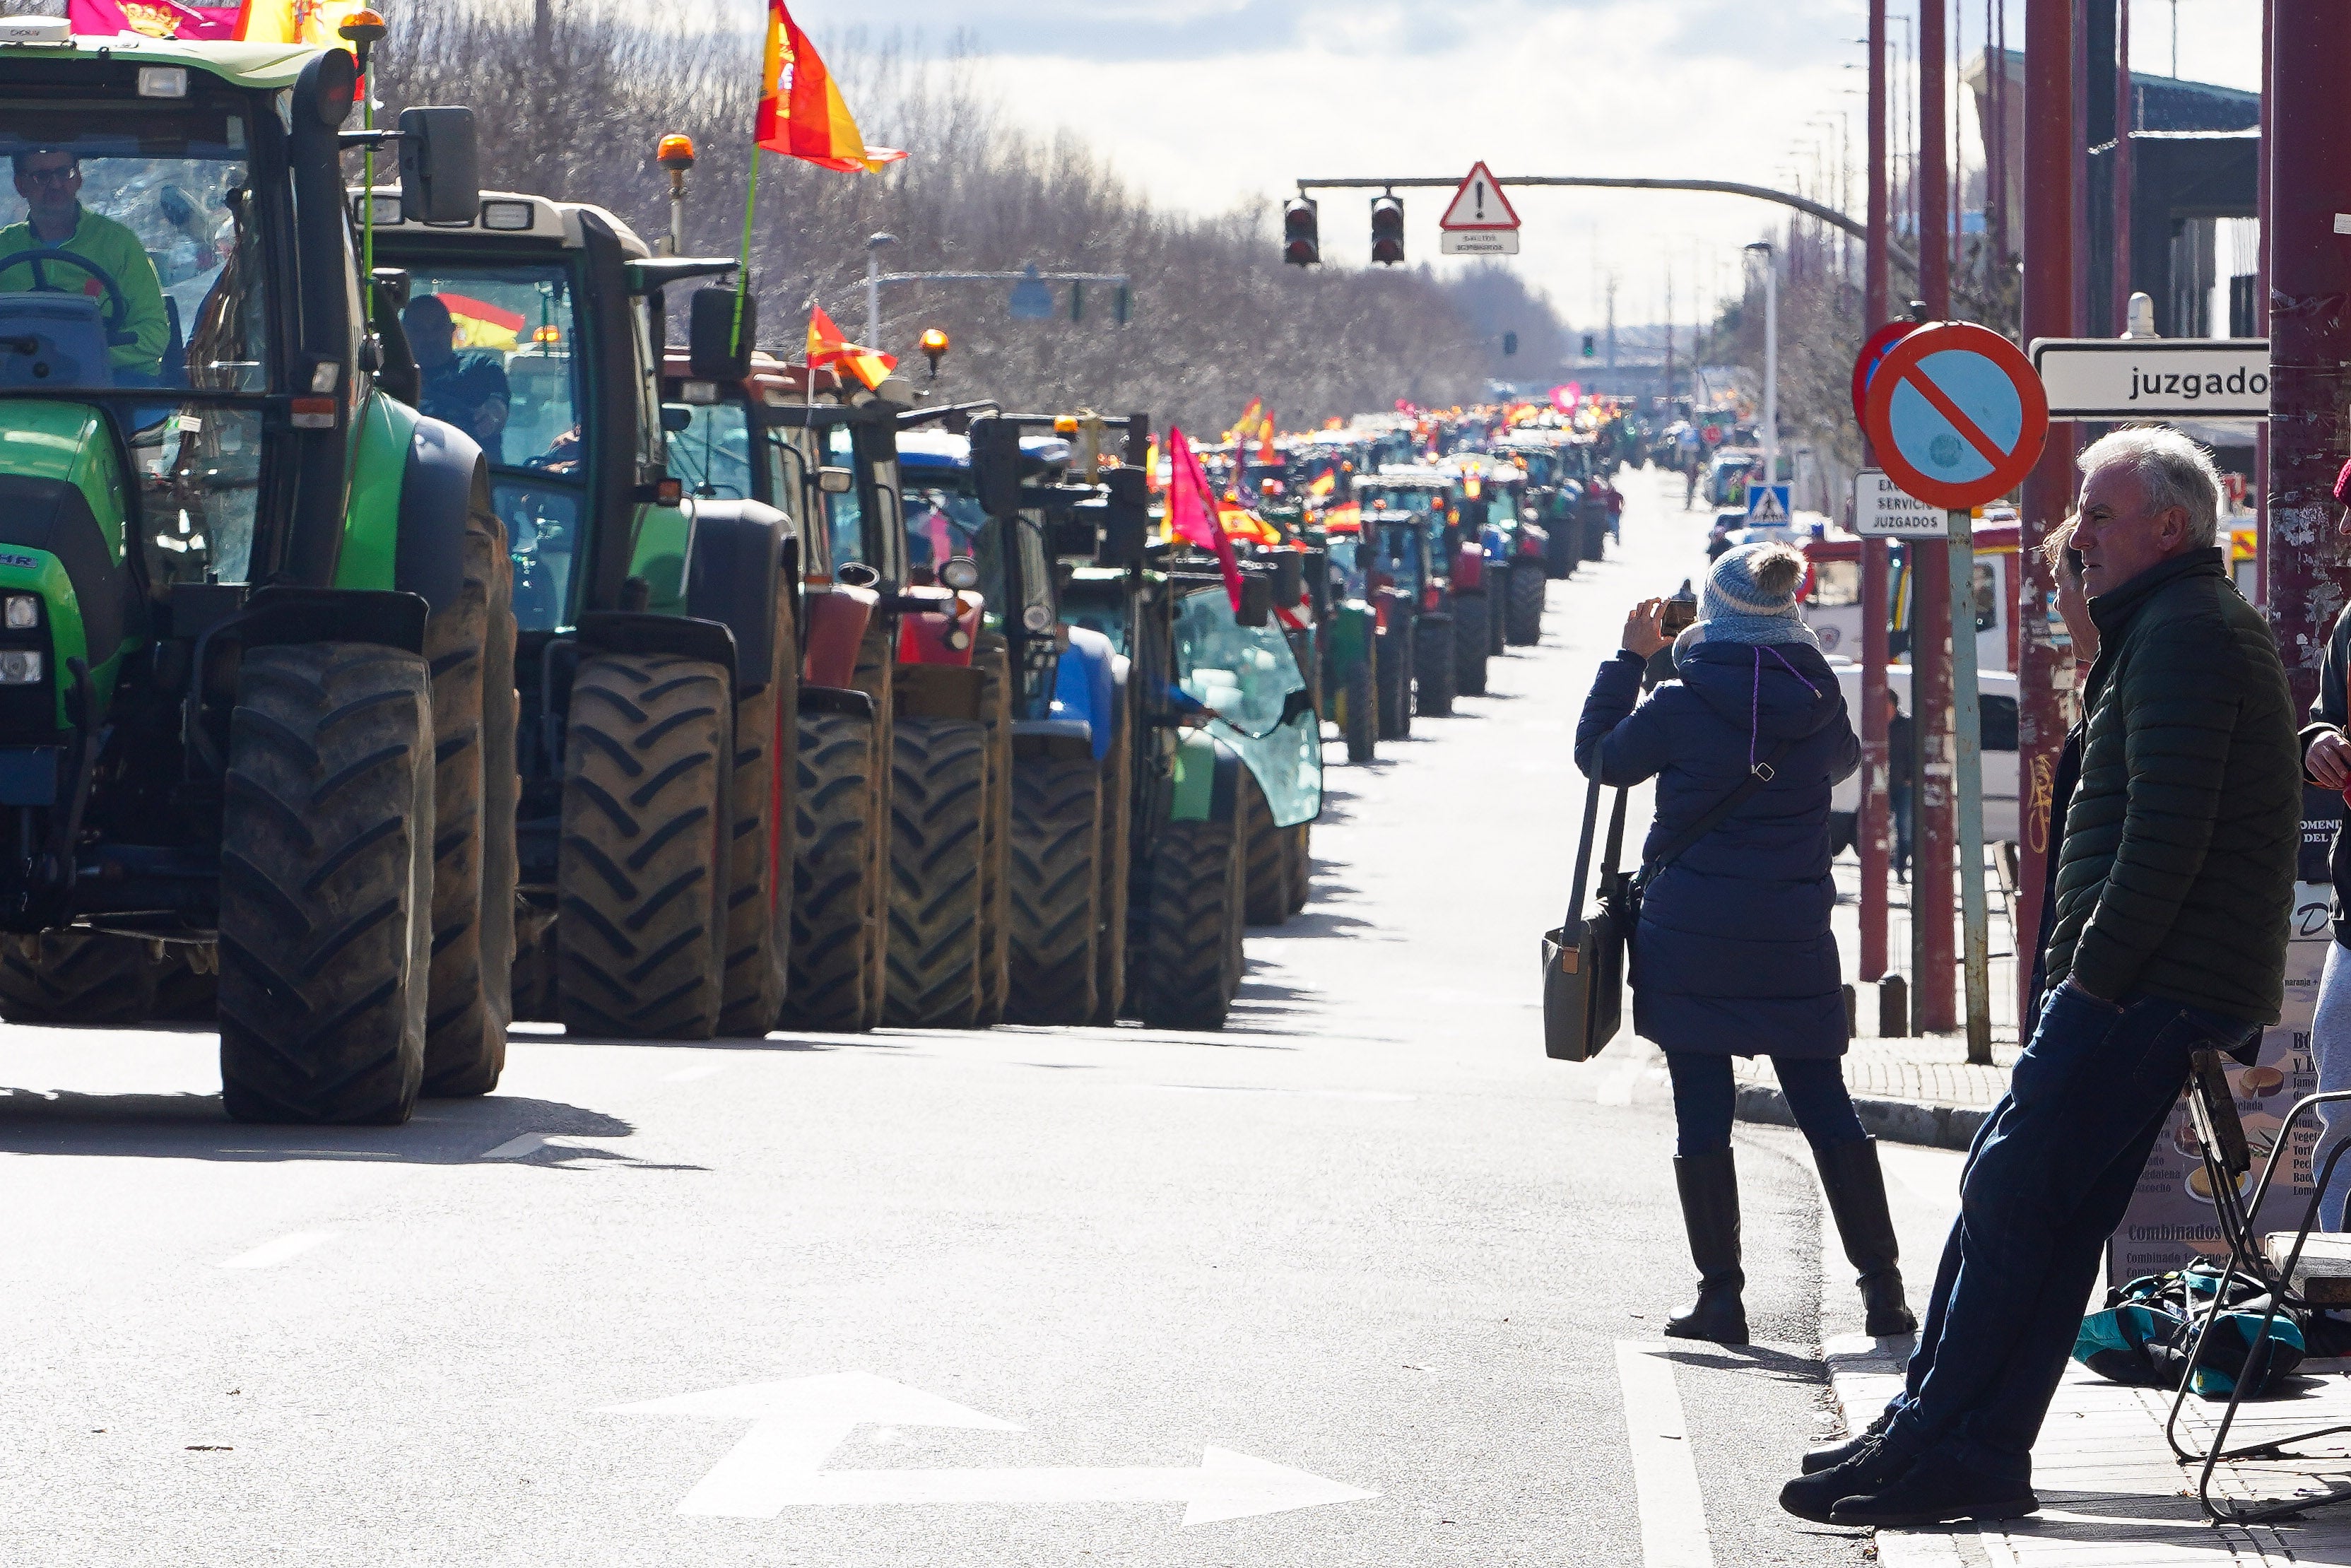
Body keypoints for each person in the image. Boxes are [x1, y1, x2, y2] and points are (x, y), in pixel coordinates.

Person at [1784, 426, 2301, 1528]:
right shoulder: (2159, 626)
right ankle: (1950, 1433)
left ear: (2170, 526)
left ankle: (1945, 1438)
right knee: (2035, 1212)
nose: (2076, 534)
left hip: (2139, 982)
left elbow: (2159, 837)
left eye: (2097, 514)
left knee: (2010, 1195)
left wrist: (2090, 985)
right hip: (2144, 978)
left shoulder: (2189, 633)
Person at [1576, 541, 1914, 1348]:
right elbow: (1836, 767)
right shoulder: (1820, 697)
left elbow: (1602, 758)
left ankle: (1721, 1296)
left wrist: (1631, 662)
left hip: (1690, 935)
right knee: (1826, 1105)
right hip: (1792, 934)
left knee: (1702, 1111)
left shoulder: (1681, 700)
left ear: (1718, 612)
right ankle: (1884, 1290)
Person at [2298, 462, 2351, 1229]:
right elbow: (2319, 717)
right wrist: (2319, 744)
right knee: (2338, 1103)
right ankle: (2341, 1300)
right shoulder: (2350, 625)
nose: (2344, 528)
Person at [0, 149, 170, 382]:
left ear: (78, 177)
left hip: (113, 381)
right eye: (42, 176)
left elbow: (154, 333)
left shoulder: (119, 243)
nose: (56, 185)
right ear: (21, 185)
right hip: (16, 382)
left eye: (64, 173)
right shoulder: (4, 246)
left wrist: (84, 356)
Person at [401, 293, 511, 463]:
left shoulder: (481, 368)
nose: (430, 338)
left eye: (437, 328)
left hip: (477, 477)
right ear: (404, 333)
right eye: (419, 330)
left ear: (452, 330)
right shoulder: (392, 379)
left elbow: (498, 404)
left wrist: (491, 417)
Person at [1885, 689, 1912, 884]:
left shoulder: (1906, 726)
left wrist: (1910, 777)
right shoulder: (1876, 725)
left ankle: (1901, 869)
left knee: (1905, 829)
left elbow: (1915, 752)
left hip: (1903, 785)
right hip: (1883, 785)